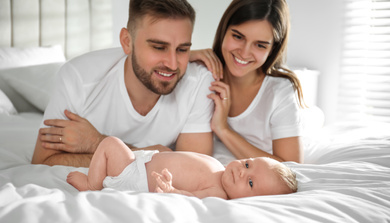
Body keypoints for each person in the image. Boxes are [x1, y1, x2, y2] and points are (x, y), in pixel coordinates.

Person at [31, 0, 215, 167]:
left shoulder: (198, 82)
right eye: (159, 47)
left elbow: (192, 168)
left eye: (182, 49)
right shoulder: (78, 78)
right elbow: (43, 161)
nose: (173, 64)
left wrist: (98, 142)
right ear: (127, 42)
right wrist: (149, 154)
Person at [189, 0, 306, 165]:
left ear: (272, 49)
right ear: (224, 31)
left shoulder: (279, 92)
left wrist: (223, 129)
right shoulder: (202, 73)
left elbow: (292, 167)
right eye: (238, 36)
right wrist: (184, 56)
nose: (244, 53)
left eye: (260, 45)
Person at [67, 136, 298, 200]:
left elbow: (190, 197)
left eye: (250, 182)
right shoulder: (218, 166)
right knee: (113, 149)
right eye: (247, 164)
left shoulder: (217, 192)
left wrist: (171, 191)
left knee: (109, 144)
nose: (241, 171)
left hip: (136, 176)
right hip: (143, 161)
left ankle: (91, 185)